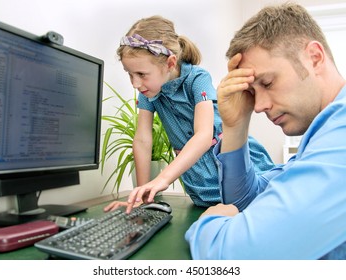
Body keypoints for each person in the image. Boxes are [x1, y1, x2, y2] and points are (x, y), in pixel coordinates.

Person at [185, 3, 346, 260]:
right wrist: (236, 124)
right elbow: (246, 198)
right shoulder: (320, 140)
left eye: (268, 83)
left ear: (314, 58)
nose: (259, 106)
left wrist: (210, 223)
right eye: (252, 92)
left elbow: (237, 255)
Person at [104, 15, 274, 214]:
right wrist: (142, 198)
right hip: (201, 185)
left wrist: (162, 179)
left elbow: (203, 136)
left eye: (141, 74)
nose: (135, 83)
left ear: (170, 63)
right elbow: (142, 140)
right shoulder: (147, 92)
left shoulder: (197, 78)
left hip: (235, 166)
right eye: (129, 74)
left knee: (259, 210)